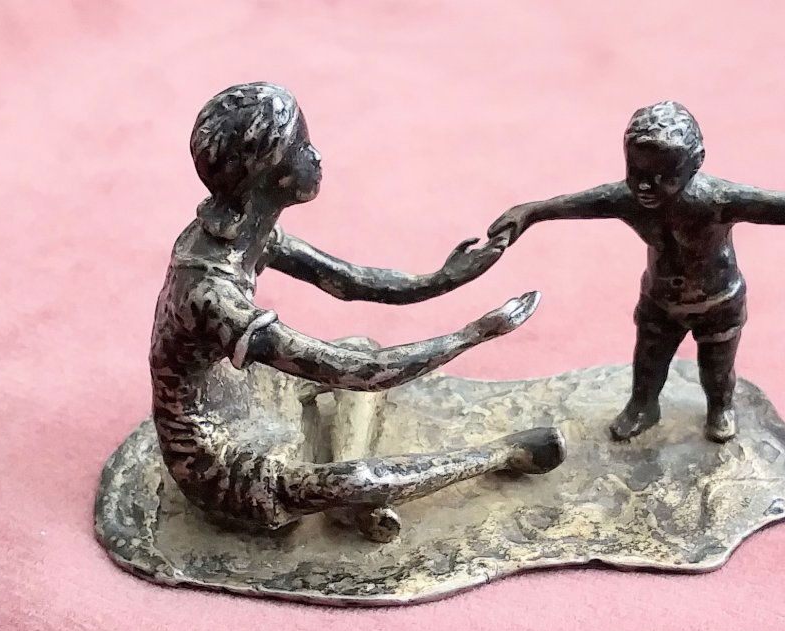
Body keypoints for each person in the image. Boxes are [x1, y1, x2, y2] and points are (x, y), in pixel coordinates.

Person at [151, 83, 565, 542]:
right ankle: (505, 453)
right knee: (359, 478)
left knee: (358, 345)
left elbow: (350, 281)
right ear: (265, 175)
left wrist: (444, 277)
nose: (317, 156)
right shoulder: (212, 295)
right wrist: (475, 333)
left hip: (249, 394)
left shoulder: (246, 232)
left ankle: (346, 490)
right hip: (217, 462)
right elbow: (362, 372)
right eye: (302, 148)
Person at [488, 101, 785, 443]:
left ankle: (720, 408)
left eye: (663, 175)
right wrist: (528, 213)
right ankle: (643, 407)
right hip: (660, 300)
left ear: (696, 162)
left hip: (718, 301)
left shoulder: (717, 200)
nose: (646, 185)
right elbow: (571, 205)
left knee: (717, 368)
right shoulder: (627, 199)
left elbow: (778, 207)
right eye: (636, 171)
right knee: (648, 362)